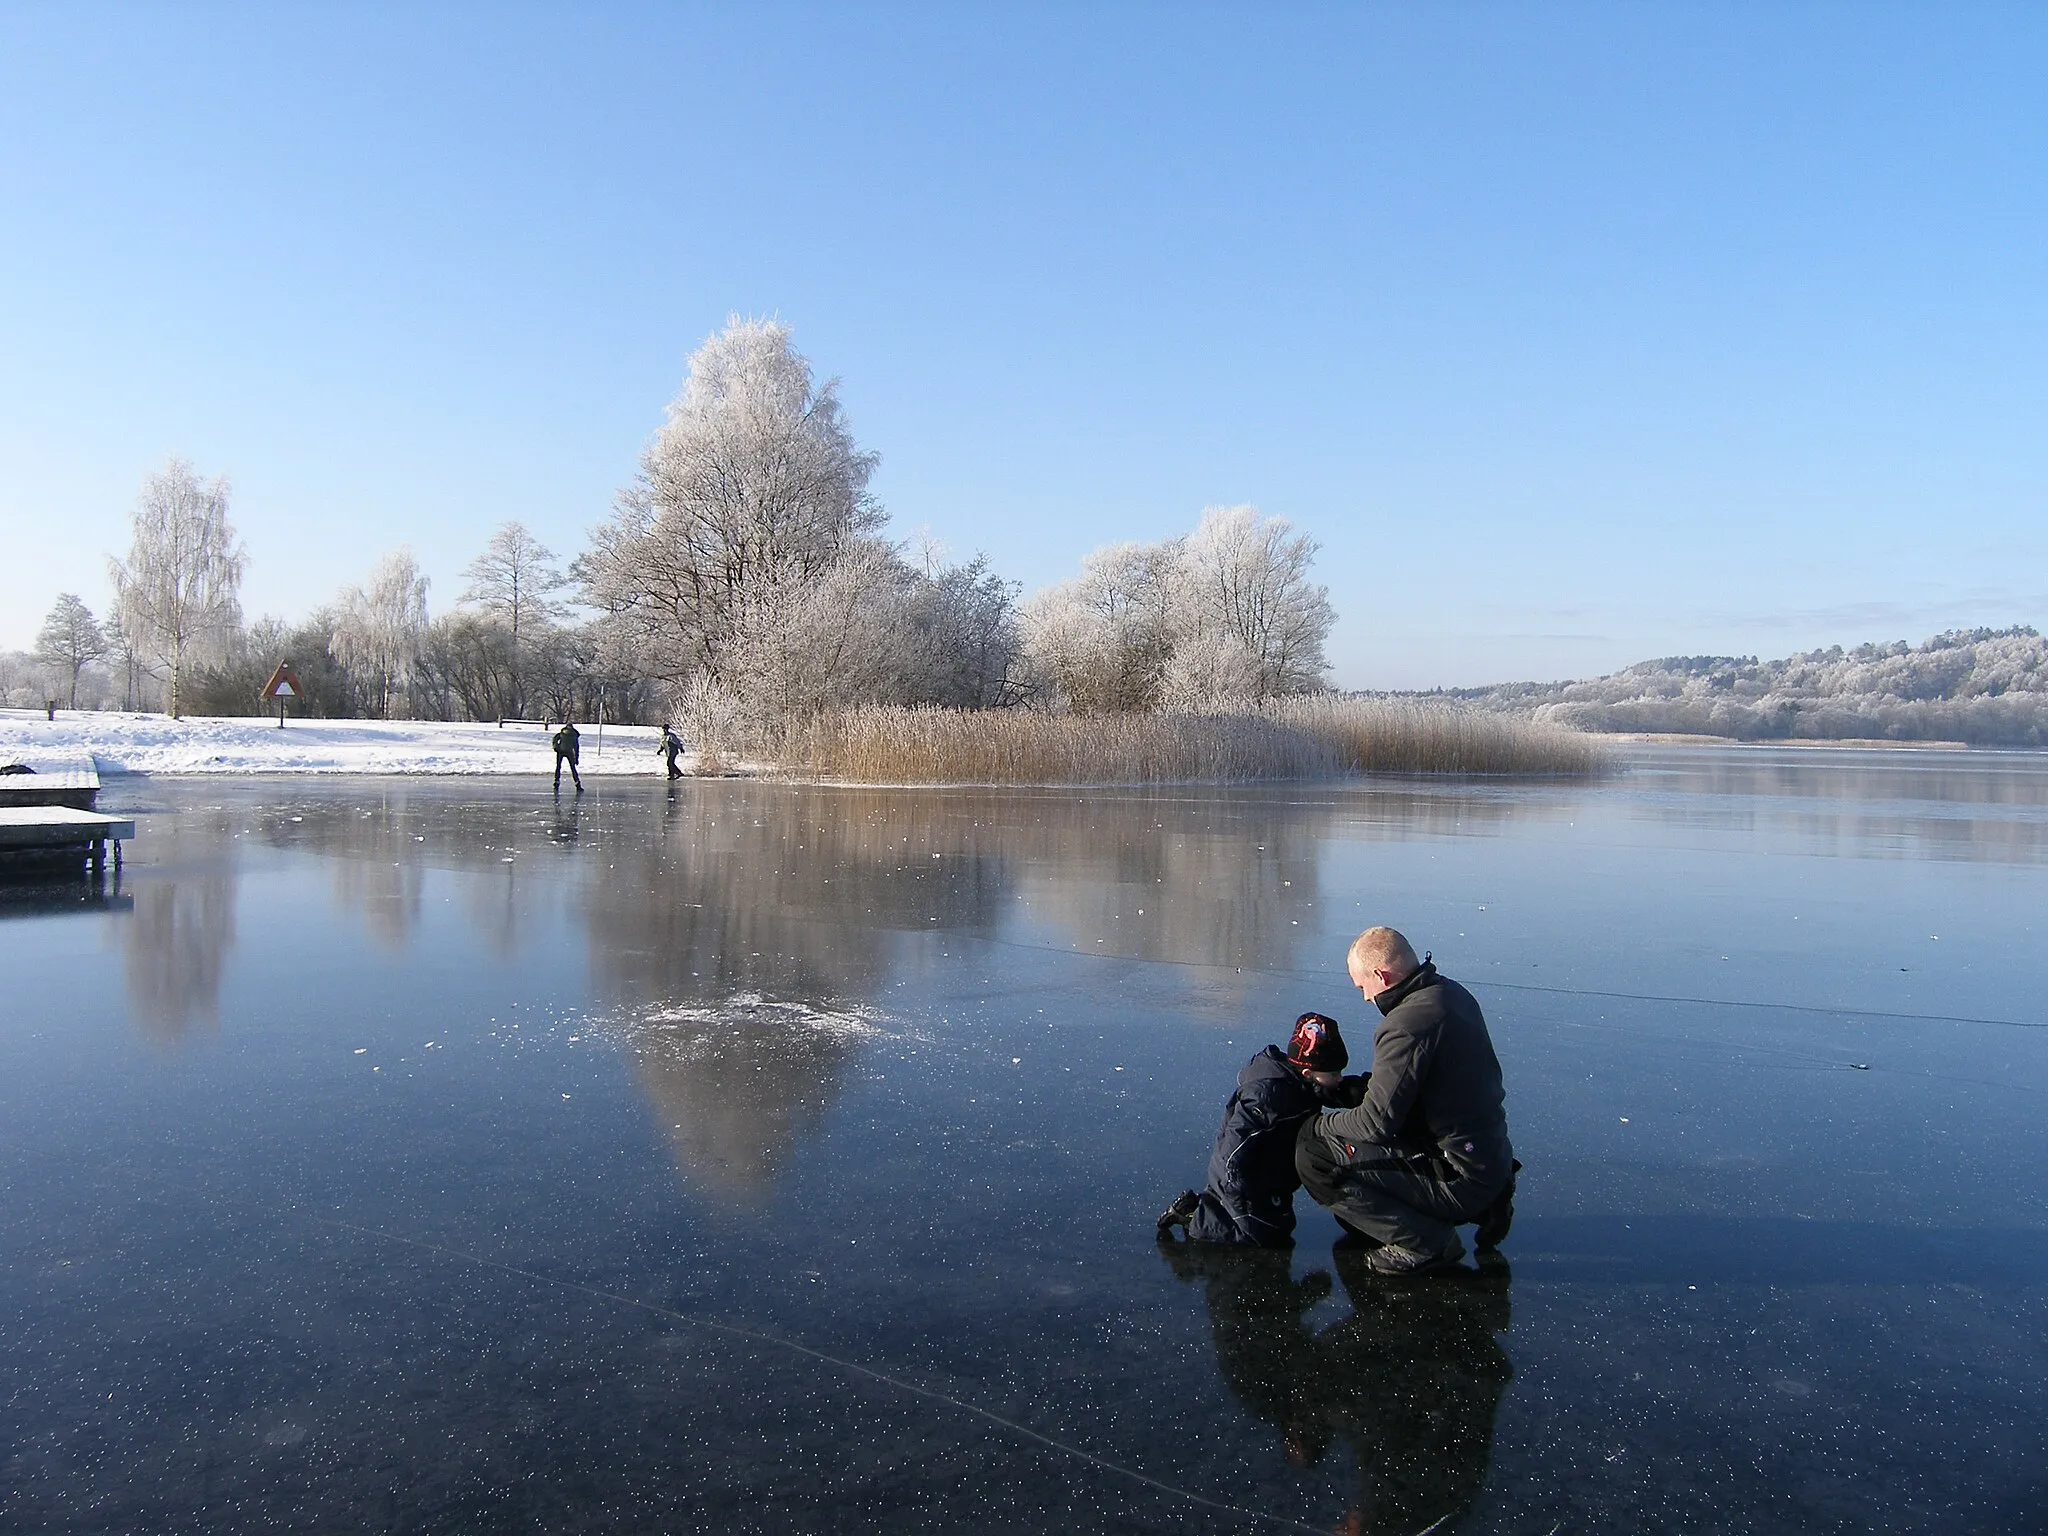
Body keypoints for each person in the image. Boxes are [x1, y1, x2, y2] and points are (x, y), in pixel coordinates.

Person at [1295, 927, 1519, 1276]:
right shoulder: (1450, 995)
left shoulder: (1405, 1025)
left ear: (1381, 976)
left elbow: (1375, 1125)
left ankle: (1425, 1243)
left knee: (1315, 1154)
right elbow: (1414, 1087)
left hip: (1459, 1175)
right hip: (1488, 1157)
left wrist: (1316, 1124)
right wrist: (1348, 1091)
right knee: (1353, 1128)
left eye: (1362, 987)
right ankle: (1487, 1204)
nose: (1366, 998)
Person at [1158, 1013, 1362, 1248]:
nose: (1339, 1078)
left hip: (1270, 1170)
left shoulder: (1300, 1081)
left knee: (1280, 1224)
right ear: (1309, 1073)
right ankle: (1194, 1217)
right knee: (1259, 1235)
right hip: (1242, 1173)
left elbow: (1326, 1090)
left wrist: (1363, 1091)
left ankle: (1214, 1206)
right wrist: (1235, 1185)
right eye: (1334, 1074)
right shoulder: (1268, 1098)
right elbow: (1235, 1141)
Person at [551, 720, 584, 793]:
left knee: (558, 767)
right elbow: (576, 747)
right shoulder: (574, 735)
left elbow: (555, 739)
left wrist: (556, 747)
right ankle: (577, 784)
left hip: (560, 751)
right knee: (573, 768)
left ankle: (556, 782)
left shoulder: (562, 733)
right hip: (570, 752)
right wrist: (576, 758)